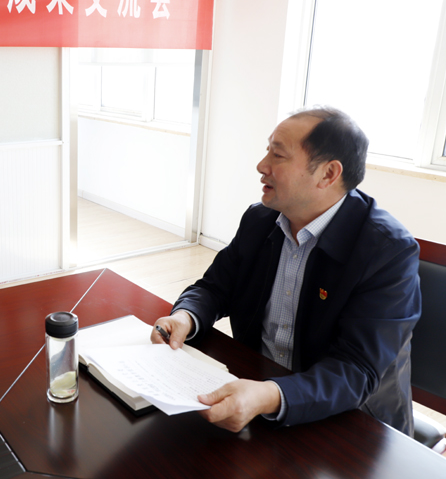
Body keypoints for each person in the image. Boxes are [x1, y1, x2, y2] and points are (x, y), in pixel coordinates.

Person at [151, 107, 420, 436]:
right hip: (257, 393)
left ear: (328, 174)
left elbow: (356, 371)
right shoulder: (260, 220)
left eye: (277, 155)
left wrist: (271, 395)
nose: (261, 165)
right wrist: (185, 317)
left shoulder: (388, 251)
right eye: (267, 150)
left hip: (352, 423)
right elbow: (214, 288)